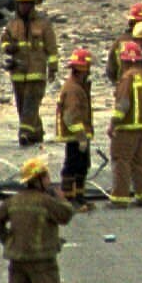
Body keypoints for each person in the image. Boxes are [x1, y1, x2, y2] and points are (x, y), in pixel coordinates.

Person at [3, 0, 59, 147]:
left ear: (33, 4)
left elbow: (51, 48)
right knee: (22, 105)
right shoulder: (12, 24)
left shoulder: (43, 24)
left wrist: (53, 68)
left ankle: (25, 133)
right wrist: (8, 47)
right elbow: (4, 40)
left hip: (36, 71)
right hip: (18, 72)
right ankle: (36, 132)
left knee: (31, 103)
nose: (24, 6)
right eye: (21, 3)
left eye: (27, 3)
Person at [109, 41, 142, 208]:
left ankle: (119, 198)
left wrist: (113, 123)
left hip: (126, 127)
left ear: (126, 60)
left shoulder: (127, 77)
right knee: (139, 161)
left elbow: (123, 103)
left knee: (121, 160)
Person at [54, 47, 95, 210]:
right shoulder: (73, 89)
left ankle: (79, 197)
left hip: (80, 134)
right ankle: (68, 199)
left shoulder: (79, 86)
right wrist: (81, 137)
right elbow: (70, 116)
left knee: (82, 166)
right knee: (72, 166)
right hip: (75, 136)